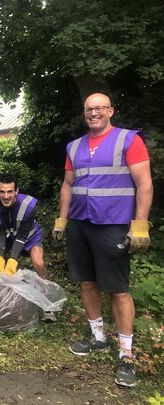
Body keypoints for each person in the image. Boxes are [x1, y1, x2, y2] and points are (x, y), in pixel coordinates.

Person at [52, 92, 152, 387]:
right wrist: (62, 219)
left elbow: (144, 183)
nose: (93, 113)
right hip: (81, 223)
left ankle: (126, 353)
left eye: (99, 108)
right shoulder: (74, 146)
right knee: (86, 282)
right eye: (88, 109)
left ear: (111, 111)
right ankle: (97, 337)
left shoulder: (129, 140)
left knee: (118, 289)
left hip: (113, 225)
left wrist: (140, 225)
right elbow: (68, 185)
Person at [0, 175, 49, 280]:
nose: (6, 196)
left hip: (28, 234)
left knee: (39, 264)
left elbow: (22, 236)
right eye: (2, 192)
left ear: (16, 191)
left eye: (10, 191)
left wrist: (12, 259)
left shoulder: (28, 206)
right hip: (5, 232)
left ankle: (44, 289)